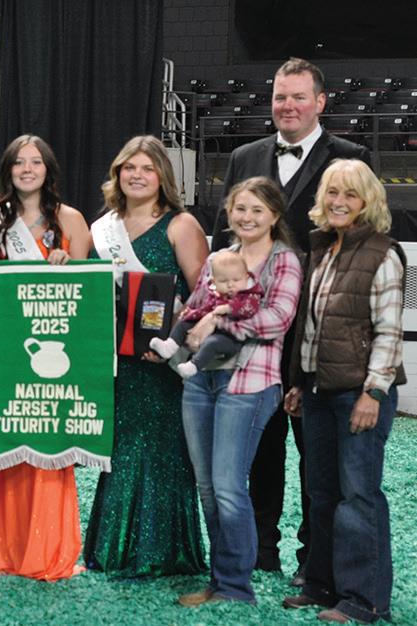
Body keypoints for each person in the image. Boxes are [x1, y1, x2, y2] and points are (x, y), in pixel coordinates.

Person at [211, 58, 370, 583]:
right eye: (281, 96)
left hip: (318, 332)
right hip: (253, 331)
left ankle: (313, 558)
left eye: (299, 97)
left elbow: (362, 245)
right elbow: (224, 238)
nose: (289, 106)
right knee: (259, 445)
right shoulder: (244, 156)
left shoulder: (351, 158)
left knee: (316, 455)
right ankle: (261, 550)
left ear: (321, 102)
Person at [0, 135, 89, 580]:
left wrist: (67, 265)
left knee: (48, 444)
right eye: (19, 162)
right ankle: (1, 549)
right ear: (8, 170)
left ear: (48, 169)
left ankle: (46, 549)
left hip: (55, 354)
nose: (27, 169)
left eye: (36, 162)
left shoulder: (70, 219)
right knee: (7, 441)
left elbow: (85, 295)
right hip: (9, 352)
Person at [169, 176, 302, 607]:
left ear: (274, 216)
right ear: (228, 212)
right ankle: (219, 579)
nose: (247, 217)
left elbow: (277, 319)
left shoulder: (285, 261)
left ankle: (236, 587)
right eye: (240, 208)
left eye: (257, 210)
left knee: (229, 486)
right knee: (208, 488)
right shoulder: (219, 258)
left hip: (250, 383)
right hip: (201, 379)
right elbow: (194, 306)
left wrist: (218, 322)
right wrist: (187, 326)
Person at [281, 159, 402, 624]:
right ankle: (321, 585)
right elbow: (309, 327)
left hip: (359, 393)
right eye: (332, 192)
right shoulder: (322, 249)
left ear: (368, 201)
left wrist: (374, 392)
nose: (338, 201)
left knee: (358, 497)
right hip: (318, 389)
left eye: (350, 194)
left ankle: (364, 599)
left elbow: (389, 332)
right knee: (322, 493)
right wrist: (299, 380)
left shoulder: (383, 254)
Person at [83, 135, 208, 577]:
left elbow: (204, 297)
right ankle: (114, 548)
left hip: (162, 365)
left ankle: (162, 551)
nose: (136, 175)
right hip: (118, 362)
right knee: (120, 450)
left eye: (147, 168)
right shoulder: (102, 228)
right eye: (129, 167)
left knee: (162, 451)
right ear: (117, 173)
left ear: (162, 177)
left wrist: (172, 337)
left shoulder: (181, 225)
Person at [151, 250, 263, 379]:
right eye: (223, 281)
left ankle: (193, 366)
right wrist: (192, 314)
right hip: (207, 329)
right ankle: (169, 346)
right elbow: (205, 308)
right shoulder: (215, 294)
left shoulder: (249, 295)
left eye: (236, 280)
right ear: (214, 282)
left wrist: (229, 308)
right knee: (183, 323)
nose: (230, 285)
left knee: (211, 343)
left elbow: (250, 309)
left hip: (230, 338)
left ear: (246, 277)